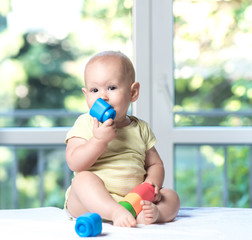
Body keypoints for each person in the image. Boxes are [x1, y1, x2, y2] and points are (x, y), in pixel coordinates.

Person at [64, 51, 180, 227]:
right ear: (86, 94)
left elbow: (155, 164)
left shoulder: (140, 128)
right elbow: (74, 162)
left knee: (171, 196)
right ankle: (114, 212)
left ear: (133, 92)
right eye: (94, 90)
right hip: (89, 203)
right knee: (82, 180)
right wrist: (99, 141)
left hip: (132, 200)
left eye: (111, 88)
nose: (102, 96)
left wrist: (151, 185)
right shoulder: (85, 123)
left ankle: (154, 214)